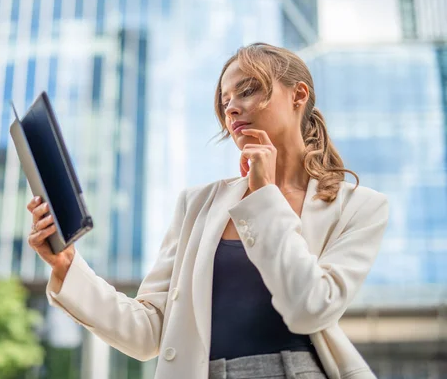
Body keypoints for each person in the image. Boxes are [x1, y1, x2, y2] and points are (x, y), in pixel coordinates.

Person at [26, 43, 389, 379]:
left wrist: (264, 195)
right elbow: (148, 332)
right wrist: (66, 265)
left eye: (248, 90)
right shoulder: (197, 206)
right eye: (225, 101)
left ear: (299, 95)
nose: (231, 108)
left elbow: (309, 307)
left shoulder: (359, 207)